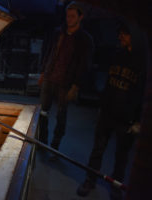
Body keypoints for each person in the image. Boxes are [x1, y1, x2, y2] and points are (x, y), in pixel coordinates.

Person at [76, 22, 146, 200]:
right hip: (108, 112)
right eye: (120, 33)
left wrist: (139, 120)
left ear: (135, 36)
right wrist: (102, 106)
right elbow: (108, 83)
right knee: (97, 149)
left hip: (127, 118)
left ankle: (116, 185)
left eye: (125, 34)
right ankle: (90, 180)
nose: (120, 37)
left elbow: (143, 93)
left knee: (121, 154)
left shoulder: (143, 62)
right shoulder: (117, 55)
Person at [38, 1, 93, 156]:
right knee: (43, 112)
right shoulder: (58, 33)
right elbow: (49, 52)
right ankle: (42, 143)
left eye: (72, 16)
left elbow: (84, 65)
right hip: (50, 77)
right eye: (67, 16)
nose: (68, 19)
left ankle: (55, 146)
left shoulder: (84, 39)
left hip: (65, 83)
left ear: (80, 17)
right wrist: (43, 73)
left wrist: (75, 86)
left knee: (61, 115)